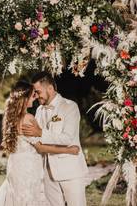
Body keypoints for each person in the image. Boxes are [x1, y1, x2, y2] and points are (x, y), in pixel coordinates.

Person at [0, 80, 80, 206]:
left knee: (16, 197)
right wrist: (69, 150)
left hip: (15, 165)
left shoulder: (12, 117)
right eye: (33, 95)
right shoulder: (28, 118)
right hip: (27, 169)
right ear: (24, 98)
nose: (36, 97)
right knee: (27, 199)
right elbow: (40, 147)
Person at [21, 72, 89, 206]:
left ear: (50, 88)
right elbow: (36, 141)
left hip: (70, 171)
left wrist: (40, 132)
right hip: (48, 171)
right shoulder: (39, 110)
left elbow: (67, 138)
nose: (35, 95)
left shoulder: (69, 106)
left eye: (38, 91)